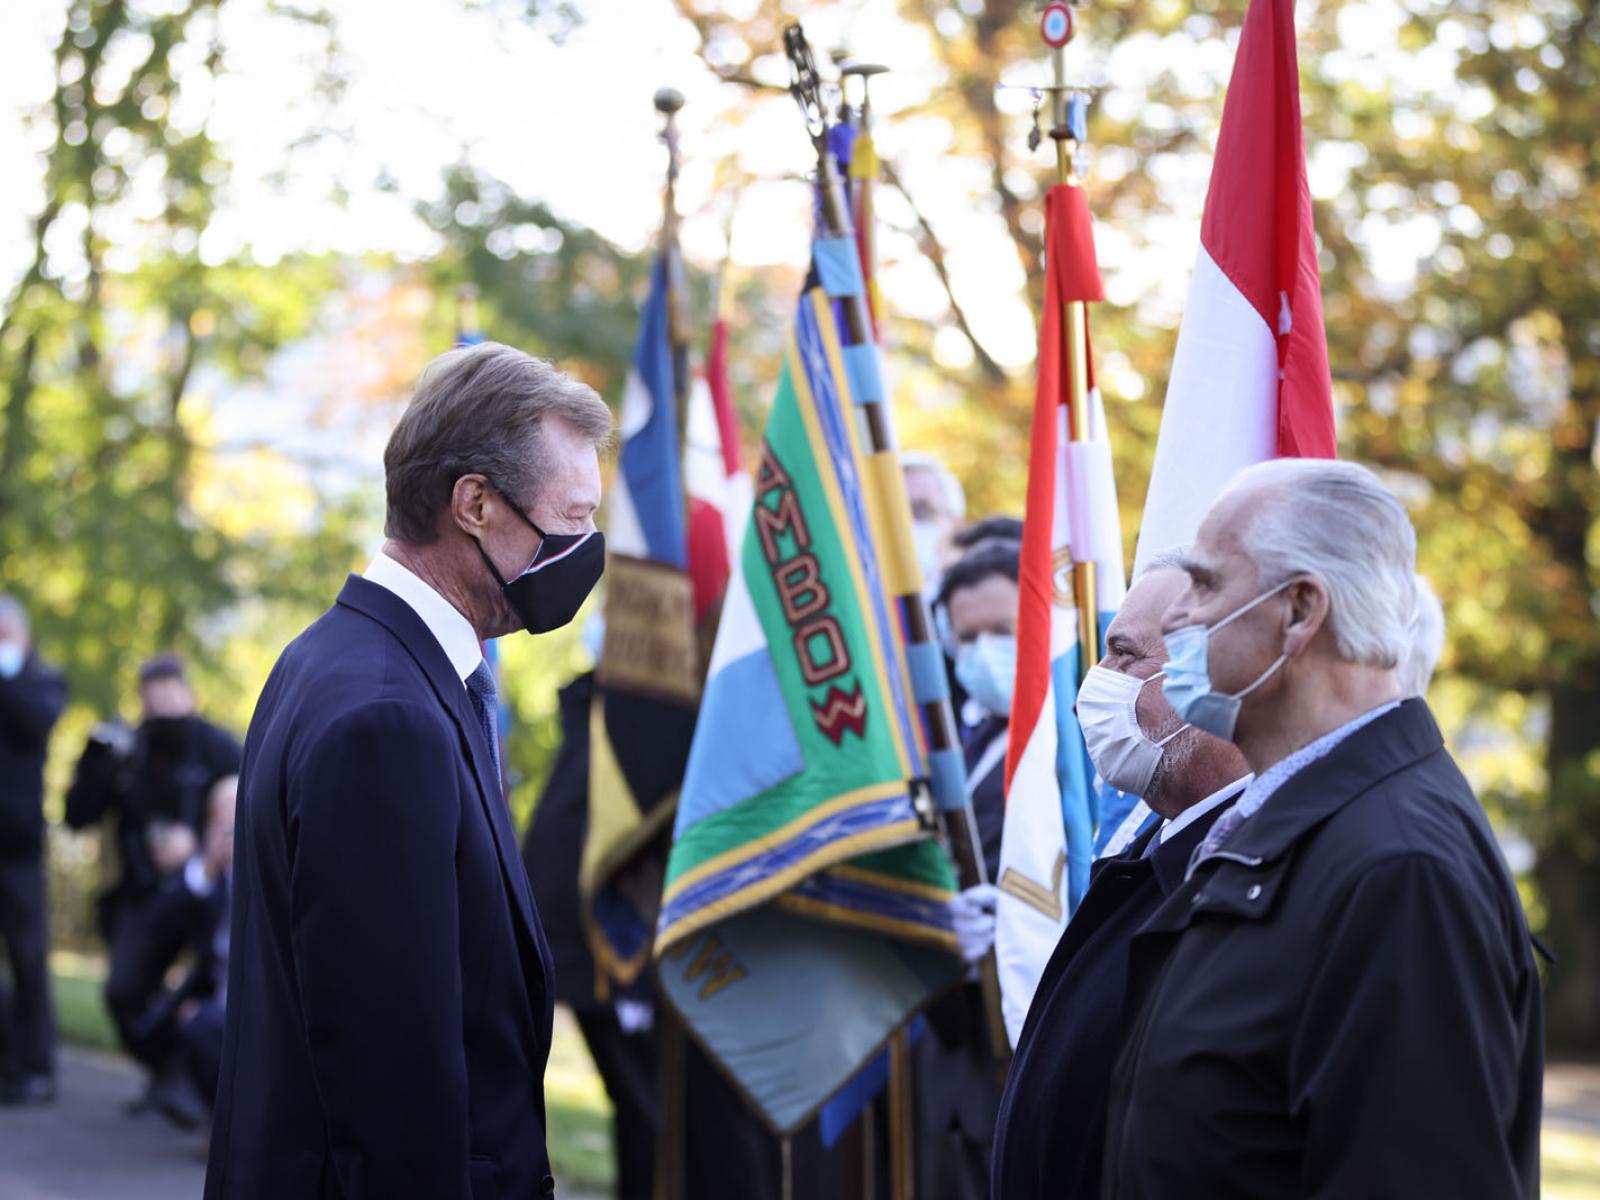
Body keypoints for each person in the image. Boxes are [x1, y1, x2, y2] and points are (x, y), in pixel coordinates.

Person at [205, 341, 612, 1199]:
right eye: (572, 519)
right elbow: (392, 1090)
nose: (586, 548)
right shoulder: (387, 716)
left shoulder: (339, 659)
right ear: (474, 504)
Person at [1103, 459, 1542, 1197]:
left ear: (1301, 609)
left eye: (1208, 584)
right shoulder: (1305, 825)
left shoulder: (1400, 868)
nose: (1181, 617)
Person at [989, 551, 1252, 1199]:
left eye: (1123, 654)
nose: (1096, 681)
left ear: (1205, 673)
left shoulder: (1253, 873)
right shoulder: (1150, 852)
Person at [64, 653, 239, 1107]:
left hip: (209, 896)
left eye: (169, 699)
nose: (161, 713)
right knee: (124, 991)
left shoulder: (219, 748)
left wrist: (199, 848)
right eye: (151, 702)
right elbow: (78, 816)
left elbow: (245, 809)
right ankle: (167, 1072)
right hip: (145, 898)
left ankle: (201, 1087)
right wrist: (95, 759)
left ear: (189, 695)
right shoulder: (128, 749)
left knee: (211, 991)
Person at [907, 540, 1020, 1200]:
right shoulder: (966, 736)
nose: (983, 653)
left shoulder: (1077, 743)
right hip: (951, 1046)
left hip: (1011, 1054)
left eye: (1002, 631)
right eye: (968, 637)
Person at [128, 775, 236, 1127]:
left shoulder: (273, 871)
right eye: (224, 825)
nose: (232, 836)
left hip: (260, 1003)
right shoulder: (206, 880)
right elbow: (158, 926)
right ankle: (213, 1114)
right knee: (180, 1020)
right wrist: (206, 865)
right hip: (216, 999)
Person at [0, 596, 68, 1106]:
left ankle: (37, 1067)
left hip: (19, 845)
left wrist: (9, 672)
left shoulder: (42, 680)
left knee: (27, 957)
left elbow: (37, 721)